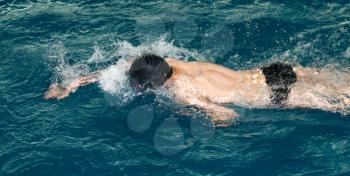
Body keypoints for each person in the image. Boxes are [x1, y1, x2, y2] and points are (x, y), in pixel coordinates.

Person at [45, 54, 350, 125]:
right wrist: (73, 83)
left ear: (156, 83)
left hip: (274, 95)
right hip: (273, 71)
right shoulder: (171, 61)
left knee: (342, 103)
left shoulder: (182, 90)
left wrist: (194, 112)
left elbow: (227, 115)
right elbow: (121, 68)